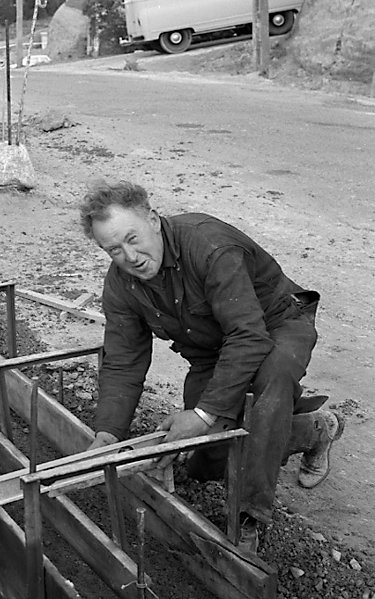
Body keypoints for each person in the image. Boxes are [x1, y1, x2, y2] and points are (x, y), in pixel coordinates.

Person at [79, 179, 344, 556]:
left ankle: (247, 520)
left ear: (153, 220)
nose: (130, 256)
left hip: (274, 323)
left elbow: (249, 336)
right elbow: (123, 360)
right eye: (114, 249)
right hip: (212, 349)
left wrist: (204, 413)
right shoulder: (122, 286)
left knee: (270, 388)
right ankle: (315, 430)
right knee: (205, 461)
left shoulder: (208, 245)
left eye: (132, 238)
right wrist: (107, 432)